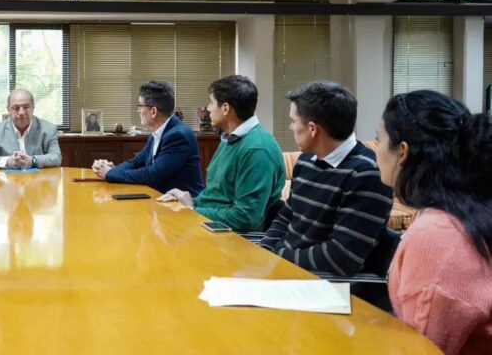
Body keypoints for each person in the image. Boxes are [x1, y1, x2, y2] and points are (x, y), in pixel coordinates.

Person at [377, 90, 492, 354]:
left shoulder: (439, 235)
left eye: (378, 139)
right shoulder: (463, 209)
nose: (376, 150)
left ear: (402, 152)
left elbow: (420, 349)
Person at [259, 81, 393, 276]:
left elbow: (341, 258)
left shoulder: (367, 173)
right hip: (287, 269)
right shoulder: (305, 161)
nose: (291, 127)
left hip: (322, 282)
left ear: (312, 129)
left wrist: (277, 257)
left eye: (294, 121)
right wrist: (264, 251)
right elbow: (286, 216)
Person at [157, 75, 285, 232]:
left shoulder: (257, 150)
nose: (208, 108)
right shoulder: (231, 138)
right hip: (215, 228)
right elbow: (219, 197)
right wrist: (192, 202)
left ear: (225, 108)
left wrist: (192, 210)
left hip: (237, 238)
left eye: (211, 102)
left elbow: (246, 219)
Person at [92, 81, 204, 197]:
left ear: (153, 111)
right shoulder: (158, 131)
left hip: (183, 204)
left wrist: (109, 173)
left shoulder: (178, 136)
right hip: (161, 198)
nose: (138, 111)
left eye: (140, 106)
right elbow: (136, 162)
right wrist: (112, 170)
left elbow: (152, 175)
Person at [0, 89, 62, 169]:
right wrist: (7, 161)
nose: (21, 112)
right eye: (16, 108)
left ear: (33, 107)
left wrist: (33, 161)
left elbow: (56, 158)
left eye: (26, 107)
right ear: (8, 109)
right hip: (7, 178)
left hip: (38, 178)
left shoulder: (49, 129)